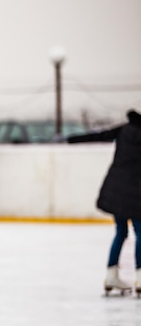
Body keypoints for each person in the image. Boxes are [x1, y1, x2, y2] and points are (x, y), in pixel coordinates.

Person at [67, 109, 141, 296]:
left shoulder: (125, 129)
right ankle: (140, 277)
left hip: (116, 189)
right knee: (140, 232)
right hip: (136, 191)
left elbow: (99, 136)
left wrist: (70, 139)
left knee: (121, 231)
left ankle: (111, 275)